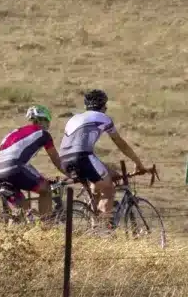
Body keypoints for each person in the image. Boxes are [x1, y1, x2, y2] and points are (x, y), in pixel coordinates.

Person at [59, 89, 149, 224]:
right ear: (104, 106)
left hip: (64, 159)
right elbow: (120, 143)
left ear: (85, 106)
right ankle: (102, 232)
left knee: (98, 185)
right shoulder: (104, 118)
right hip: (83, 156)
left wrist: (108, 170)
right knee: (108, 189)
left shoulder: (74, 118)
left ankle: (92, 223)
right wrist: (138, 162)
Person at [0, 105, 66, 219]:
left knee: (24, 213)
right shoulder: (43, 134)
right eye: (48, 121)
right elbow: (56, 160)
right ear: (43, 120)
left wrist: (39, 176)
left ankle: (19, 226)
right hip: (14, 167)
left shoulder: (13, 133)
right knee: (46, 189)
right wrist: (69, 174)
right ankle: (46, 228)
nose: (48, 125)